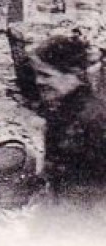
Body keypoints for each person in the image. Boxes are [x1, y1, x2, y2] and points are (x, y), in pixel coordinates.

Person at [30, 34, 106, 213]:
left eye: (46, 75)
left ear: (75, 75)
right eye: (37, 74)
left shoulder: (92, 118)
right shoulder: (62, 109)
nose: (38, 81)